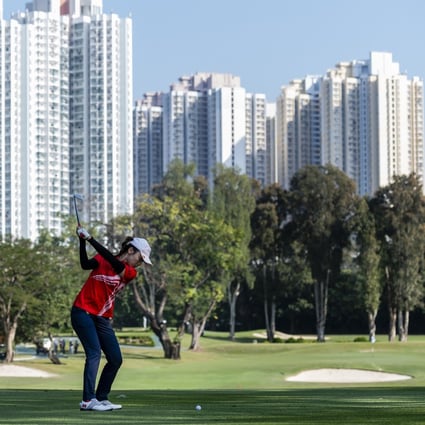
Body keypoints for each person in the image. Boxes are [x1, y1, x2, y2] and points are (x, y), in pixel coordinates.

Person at [71, 227, 152, 412]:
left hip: (102, 318)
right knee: (94, 353)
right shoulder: (102, 259)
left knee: (115, 359)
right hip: (82, 312)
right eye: (140, 258)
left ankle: (101, 397)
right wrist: (82, 240)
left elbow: (113, 261)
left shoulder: (130, 272)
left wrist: (90, 238)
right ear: (131, 250)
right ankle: (87, 400)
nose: (140, 263)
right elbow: (85, 264)